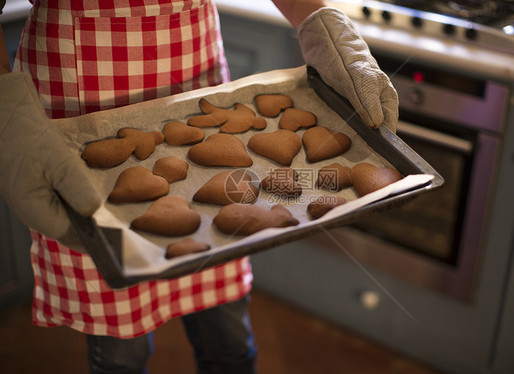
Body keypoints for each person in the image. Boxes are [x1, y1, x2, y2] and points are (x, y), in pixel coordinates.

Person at [0, 0, 398, 373]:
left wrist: (321, 24)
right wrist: (6, 109)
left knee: (227, 329)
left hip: (198, 78)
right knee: (123, 346)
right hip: (79, 98)